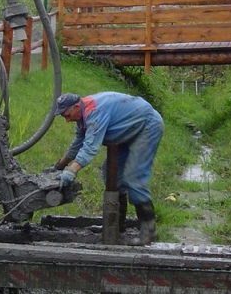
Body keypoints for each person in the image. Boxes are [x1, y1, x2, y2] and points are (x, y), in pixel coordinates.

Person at [54, 91, 164, 245]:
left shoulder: (94, 113)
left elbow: (90, 148)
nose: (67, 120)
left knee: (134, 177)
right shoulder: (82, 117)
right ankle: (116, 227)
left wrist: (72, 171)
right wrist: (59, 166)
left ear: (77, 106)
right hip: (128, 131)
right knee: (111, 172)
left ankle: (149, 232)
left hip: (147, 126)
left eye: (67, 115)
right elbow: (77, 144)